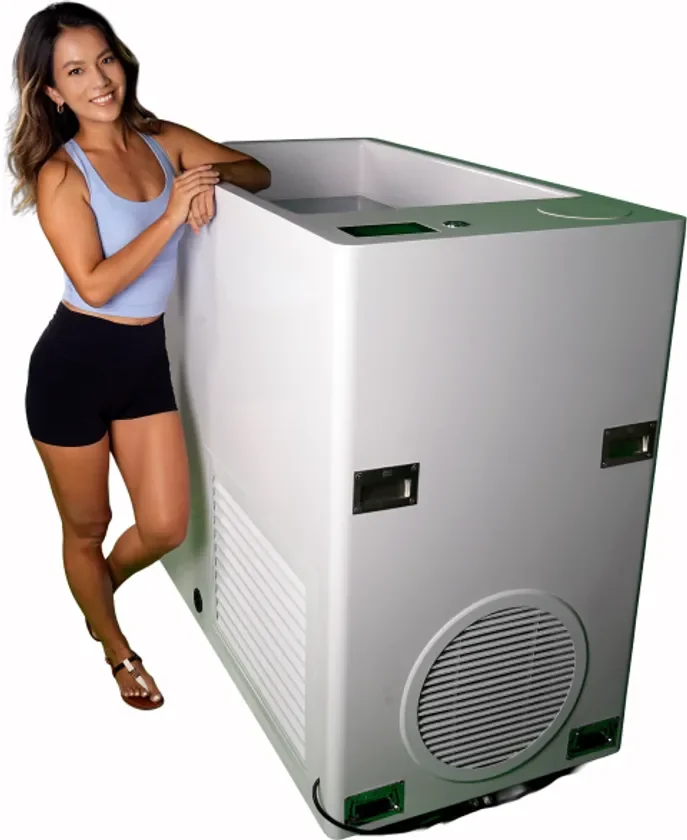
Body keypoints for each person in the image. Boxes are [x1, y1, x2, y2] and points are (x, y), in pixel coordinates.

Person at [6, 2, 271, 711]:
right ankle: (117, 649)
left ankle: (96, 593)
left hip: (143, 360)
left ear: (122, 61)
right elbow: (94, 283)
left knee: (164, 526)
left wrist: (208, 180)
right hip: (72, 367)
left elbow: (259, 172)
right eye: (75, 72)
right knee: (86, 528)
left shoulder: (162, 140)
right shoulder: (60, 173)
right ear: (52, 91)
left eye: (105, 60)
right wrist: (173, 212)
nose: (99, 81)